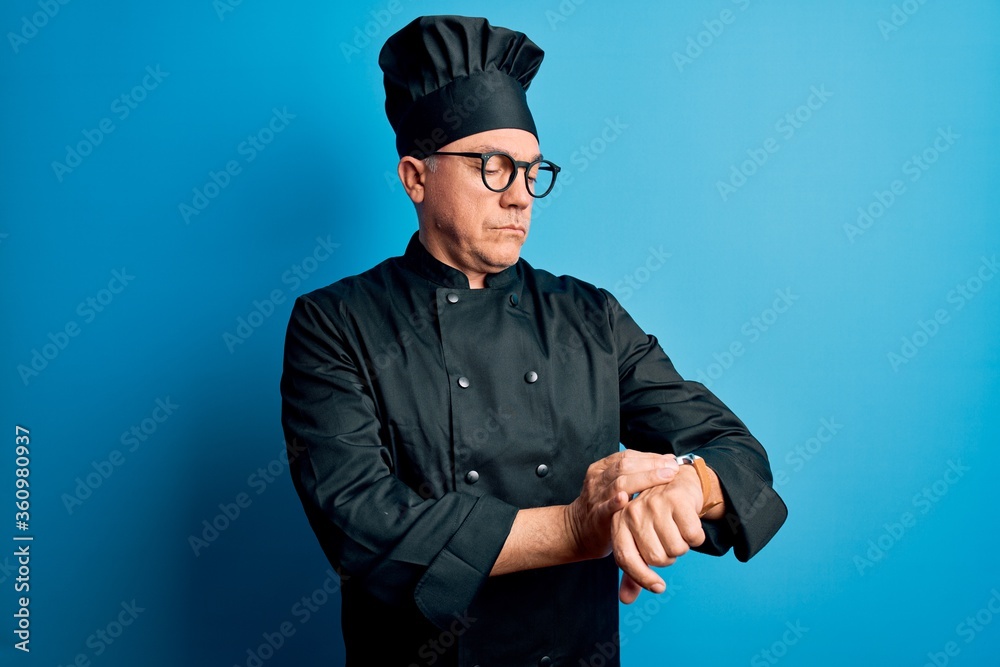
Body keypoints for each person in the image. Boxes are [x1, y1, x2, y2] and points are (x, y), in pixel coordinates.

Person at [280, 15, 787, 667]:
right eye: (492, 168)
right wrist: (578, 525)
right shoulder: (337, 323)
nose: (520, 196)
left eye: (532, 171)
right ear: (416, 176)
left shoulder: (589, 317)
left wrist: (687, 488)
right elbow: (366, 530)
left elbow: (736, 451)